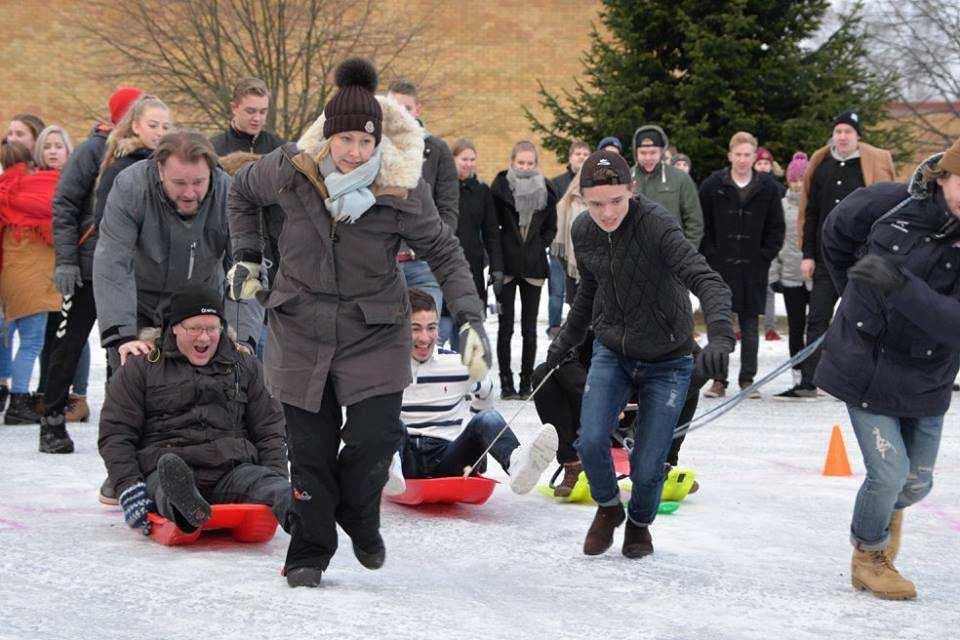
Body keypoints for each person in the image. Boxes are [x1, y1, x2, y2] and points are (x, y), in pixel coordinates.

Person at [226, 58, 489, 588]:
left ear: (377, 142)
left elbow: (443, 250)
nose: (353, 152)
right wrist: (248, 256)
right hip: (300, 326)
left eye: (364, 142)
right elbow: (239, 192)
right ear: (328, 135)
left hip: (373, 329)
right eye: (344, 139)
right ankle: (309, 550)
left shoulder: (398, 189)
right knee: (310, 452)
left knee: (377, 436)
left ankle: (359, 513)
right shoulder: (292, 169)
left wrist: (469, 318)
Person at [545, 150, 734, 558]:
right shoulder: (584, 231)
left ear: (632, 190)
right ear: (582, 199)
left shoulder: (656, 226)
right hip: (613, 349)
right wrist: (562, 345)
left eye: (616, 200)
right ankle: (610, 509)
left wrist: (719, 336)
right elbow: (589, 293)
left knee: (649, 465)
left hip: (669, 356)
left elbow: (707, 281)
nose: (607, 212)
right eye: (596, 204)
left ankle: (639, 525)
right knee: (592, 441)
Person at [813, 140, 960, 600]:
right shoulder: (886, 203)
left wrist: (898, 286)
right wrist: (852, 295)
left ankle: (877, 520)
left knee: (916, 483)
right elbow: (835, 231)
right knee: (890, 473)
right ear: (944, 176)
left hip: (928, 373)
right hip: (866, 364)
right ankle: (869, 555)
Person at [98, 287, 292, 539]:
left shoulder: (243, 365)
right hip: (168, 467)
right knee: (165, 486)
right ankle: (187, 510)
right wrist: (129, 487)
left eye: (212, 328)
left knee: (274, 488)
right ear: (175, 327)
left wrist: (275, 476)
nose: (204, 338)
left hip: (233, 469)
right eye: (195, 329)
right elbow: (117, 433)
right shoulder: (143, 368)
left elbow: (269, 428)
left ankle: (302, 519)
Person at [46, 87, 144, 451]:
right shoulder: (93, 150)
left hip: (126, 270)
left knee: (120, 346)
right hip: (87, 265)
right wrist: (67, 260)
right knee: (68, 344)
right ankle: (52, 418)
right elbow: (65, 205)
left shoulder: (148, 156)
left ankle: (119, 424)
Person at [387, 288, 556, 495]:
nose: (425, 338)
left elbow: (486, 391)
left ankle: (517, 462)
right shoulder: (386, 366)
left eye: (431, 328)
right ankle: (387, 466)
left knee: (488, 417)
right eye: (415, 328)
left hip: (448, 456)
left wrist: (480, 442)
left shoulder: (458, 364)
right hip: (404, 459)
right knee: (385, 417)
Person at [782, 109, 896, 399]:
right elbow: (810, 211)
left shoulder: (873, 164)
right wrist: (807, 253)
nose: (843, 136)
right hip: (825, 256)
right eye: (839, 131)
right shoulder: (821, 164)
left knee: (868, 317)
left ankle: (868, 377)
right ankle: (810, 380)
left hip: (865, 258)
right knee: (818, 316)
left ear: (858, 136)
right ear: (833, 135)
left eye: (848, 132)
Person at [533, 331, 708, 497]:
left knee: (684, 379)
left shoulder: (660, 316)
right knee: (544, 373)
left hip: (640, 413)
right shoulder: (598, 311)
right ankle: (574, 464)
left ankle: (660, 464)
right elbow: (561, 352)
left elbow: (699, 360)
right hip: (590, 410)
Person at [699, 131, 785, 398]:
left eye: (748, 154)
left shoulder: (768, 188)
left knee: (750, 324)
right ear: (730, 156)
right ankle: (718, 378)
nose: (743, 159)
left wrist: (764, 256)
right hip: (721, 266)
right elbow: (702, 223)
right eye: (738, 154)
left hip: (753, 267)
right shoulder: (714, 185)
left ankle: (747, 378)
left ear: (754, 156)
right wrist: (710, 257)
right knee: (720, 324)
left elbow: (776, 227)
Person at [210, 78, 286, 358]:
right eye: (250, 110)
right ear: (234, 108)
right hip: (230, 253)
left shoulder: (279, 148)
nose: (257, 118)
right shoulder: (214, 148)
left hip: (275, 253)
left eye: (263, 111)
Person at [0, 141, 66, 439]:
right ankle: (19, 401)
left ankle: (12, 393)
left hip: (12, 276)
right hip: (35, 280)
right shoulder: (40, 190)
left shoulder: (7, 194)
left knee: (11, 338)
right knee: (31, 343)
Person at [491, 140, 557, 400]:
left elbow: (551, 227)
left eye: (530, 163)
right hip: (506, 265)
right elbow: (492, 227)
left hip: (533, 266)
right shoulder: (499, 187)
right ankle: (506, 383)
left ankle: (526, 382)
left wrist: (539, 244)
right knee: (505, 327)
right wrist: (495, 264)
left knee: (529, 329)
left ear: (536, 163)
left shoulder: (547, 190)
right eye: (521, 162)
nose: (526, 167)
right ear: (512, 162)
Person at [387, 79, 459, 314]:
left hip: (423, 265)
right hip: (381, 265)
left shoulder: (438, 151)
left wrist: (434, 247)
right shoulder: (371, 148)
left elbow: (448, 207)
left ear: (417, 110)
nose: (399, 115)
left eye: (405, 108)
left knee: (424, 340)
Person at [438, 139, 502, 349]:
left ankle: (465, 376)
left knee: (467, 331)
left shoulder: (482, 191)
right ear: (452, 159)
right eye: (463, 159)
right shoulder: (441, 188)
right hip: (442, 265)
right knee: (442, 328)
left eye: (472, 159)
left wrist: (497, 267)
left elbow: (492, 232)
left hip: (471, 268)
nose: (468, 163)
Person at [769, 152, 813, 394]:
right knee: (796, 327)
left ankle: (815, 375)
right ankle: (797, 375)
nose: (797, 185)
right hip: (790, 274)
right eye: (794, 180)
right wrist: (774, 274)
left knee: (816, 327)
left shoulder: (815, 205)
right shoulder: (782, 206)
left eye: (802, 180)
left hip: (814, 277)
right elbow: (776, 241)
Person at [630, 125, 703, 247]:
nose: (648, 158)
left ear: (661, 152)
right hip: (635, 256)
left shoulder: (680, 179)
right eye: (643, 153)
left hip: (671, 254)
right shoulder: (625, 178)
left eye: (653, 152)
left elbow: (694, 222)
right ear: (636, 153)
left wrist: (685, 255)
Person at [547, 139, 590, 337]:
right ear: (570, 157)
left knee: (583, 293)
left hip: (586, 250)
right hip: (562, 246)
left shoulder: (594, 182)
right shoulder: (558, 183)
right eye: (578, 154)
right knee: (557, 290)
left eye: (585, 154)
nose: (581, 157)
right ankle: (555, 327)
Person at [754, 147, 787, 341]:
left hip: (770, 245)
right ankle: (739, 326)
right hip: (749, 243)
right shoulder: (746, 186)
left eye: (766, 163)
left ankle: (770, 327)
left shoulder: (779, 190)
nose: (763, 167)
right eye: (760, 163)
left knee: (768, 287)